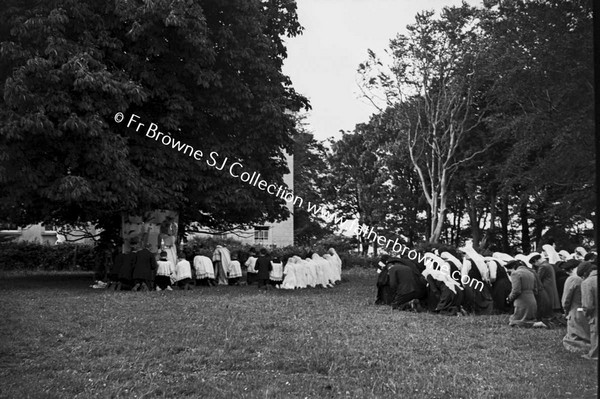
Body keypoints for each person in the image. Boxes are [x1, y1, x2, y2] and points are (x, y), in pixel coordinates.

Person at [560, 259, 590, 353]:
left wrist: (565, 311)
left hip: (575, 310)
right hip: (586, 310)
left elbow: (566, 299)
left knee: (575, 336)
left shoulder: (573, 279)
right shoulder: (587, 278)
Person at [506, 260, 538, 328]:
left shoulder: (515, 274)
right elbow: (535, 289)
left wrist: (509, 298)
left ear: (513, 267)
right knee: (529, 319)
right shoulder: (531, 273)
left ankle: (538, 324)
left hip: (522, 301)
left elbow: (516, 290)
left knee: (516, 322)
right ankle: (536, 323)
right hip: (532, 300)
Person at [579, 262, 598, 360]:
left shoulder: (587, 283)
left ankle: (594, 355)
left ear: (585, 273)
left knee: (596, 333)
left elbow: (588, 305)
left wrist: (586, 314)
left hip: (596, 315)